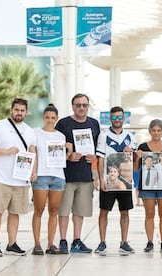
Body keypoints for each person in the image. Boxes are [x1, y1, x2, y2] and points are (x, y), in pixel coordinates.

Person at [0, 98, 36, 257]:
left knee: (15, 212)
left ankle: (12, 244)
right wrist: (6, 152)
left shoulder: (29, 131)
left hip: (20, 179)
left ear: (26, 112)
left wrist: (34, 171)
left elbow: (32, 151)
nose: (19, 113)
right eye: (16, 110)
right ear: (11, 110)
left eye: (22, 110)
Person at [55, 93, 100, 254]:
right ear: (72, 106)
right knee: (64, 210)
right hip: (66, 175)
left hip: (85, 175)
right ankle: (62, 240)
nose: (81, 108)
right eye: (78, 105)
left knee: (80, 211)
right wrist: (68, 156)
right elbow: (53, 147)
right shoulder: (63, 124)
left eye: (84, 105)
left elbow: (97, 148)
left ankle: (76, 240)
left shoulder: (94, 124)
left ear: (88, 107)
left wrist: (94, 157)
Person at [31, 104, 73, 255]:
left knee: (54, 211)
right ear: (43, 118)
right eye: (47, 117)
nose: (50, 120)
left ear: (57, 119)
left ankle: (50, 244)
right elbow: (33, 153)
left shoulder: (60, 136)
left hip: (58, 176)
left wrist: (69, 150)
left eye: (53, 118)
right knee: (39, 211)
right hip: (41, 176)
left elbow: (64, 157)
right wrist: (33, 171)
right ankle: (37, 244)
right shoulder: (35, 133)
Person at [94, 106, 137, 254]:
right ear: (110, 118)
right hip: (108, 179)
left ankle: (124, 242)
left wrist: (132, 152)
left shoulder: (130, 136)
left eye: (120, 117)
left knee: (125, 212)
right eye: (114, 117)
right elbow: (100, 160)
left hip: (125, 179)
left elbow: (135, 159)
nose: (117, 120)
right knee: (104, 211)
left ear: (124, 119)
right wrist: (101, 179)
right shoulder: (103, 135)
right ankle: (102, 242)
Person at [134, 119, 162, 253]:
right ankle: (150, 242)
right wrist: (137, 157)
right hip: (147, 186)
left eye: (159, 130)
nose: (156, 133)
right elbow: (136, 169)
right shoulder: (143, 147)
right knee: (149, 214)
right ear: (149, 131)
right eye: (153, 130)